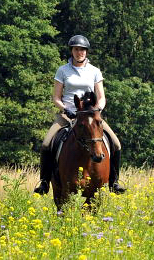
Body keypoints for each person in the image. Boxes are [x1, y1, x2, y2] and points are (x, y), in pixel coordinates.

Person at [33, 35, 126, 195]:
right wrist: (65, 109)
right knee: (46, 144)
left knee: (116, 143)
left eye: (82, 49)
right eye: (76, 49)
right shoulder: (63, 70)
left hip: (91, 115)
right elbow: (56, 97)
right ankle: (44, 183)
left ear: (86, 52)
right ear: (72, 51)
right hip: (68, 114)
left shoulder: (94, 71)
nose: (79, 52)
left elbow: (102, 96)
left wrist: (98, 109)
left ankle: (114, 182)